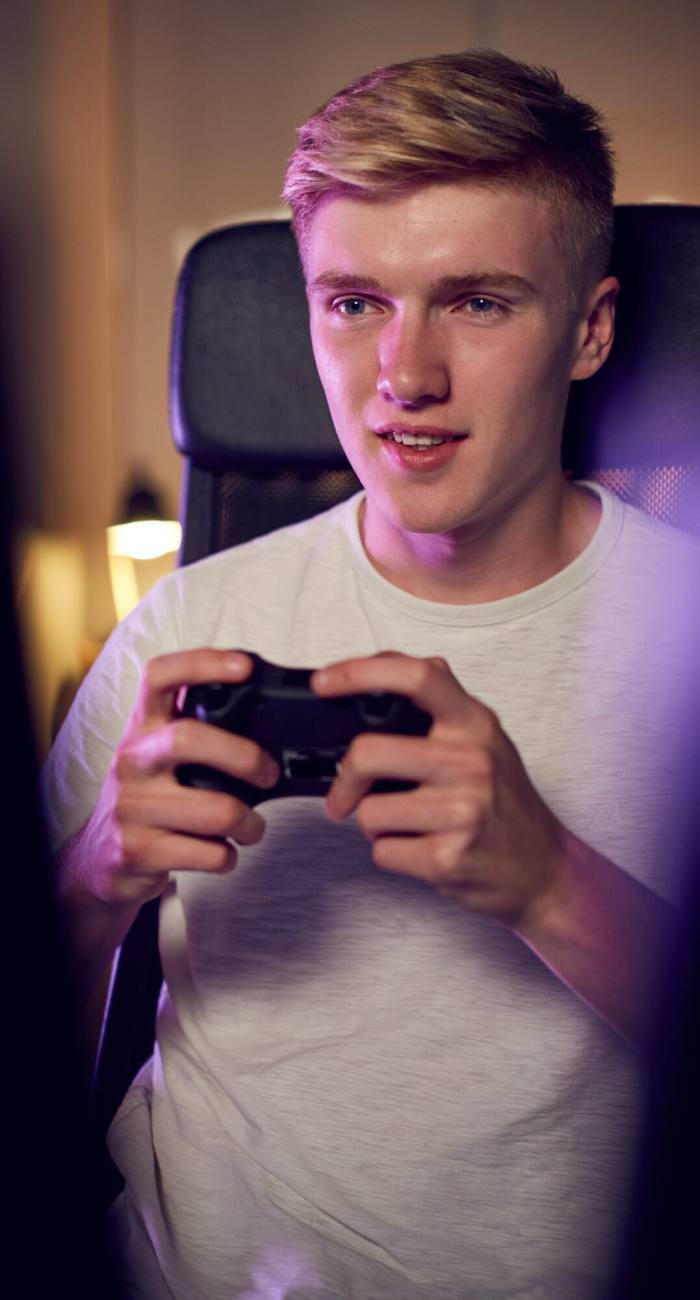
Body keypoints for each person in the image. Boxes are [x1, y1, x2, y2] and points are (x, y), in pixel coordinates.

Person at [43, 49, 700, 1300]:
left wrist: (551, 881)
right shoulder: (185, 621)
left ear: (591, 330)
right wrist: (91, 886)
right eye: (353, 301)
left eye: (477, 301)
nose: (405, 376)